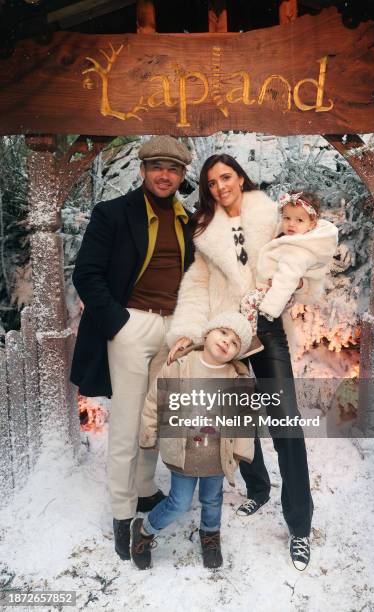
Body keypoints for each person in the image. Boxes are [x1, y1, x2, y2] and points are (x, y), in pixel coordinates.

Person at [167, 154, 314, 571]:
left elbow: (303, 244)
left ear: (241, 177)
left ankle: (300, 526)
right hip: (225, 333)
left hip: (265, 330)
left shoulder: (270, 214)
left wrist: (300, 278)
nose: (219, 187)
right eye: (211, 182)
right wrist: (189, 331)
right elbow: (196, 284)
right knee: (237, 421)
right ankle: (259, 487)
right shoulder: (203, 228)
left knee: (286, 423)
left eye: (225, 177)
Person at [70, 136, 195, 561]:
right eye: (157, 166)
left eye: (173, 169)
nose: (164, 175)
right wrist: (119, 322)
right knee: (125, 423)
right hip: (132, 324)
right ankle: (123, 513)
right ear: (142, 170)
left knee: (157, 415)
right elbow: (87, 274)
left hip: (174, 328)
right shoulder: (112, 214)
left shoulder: (187, 221)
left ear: (182, 175)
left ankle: (145, 490)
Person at [131, 311, 254, 570]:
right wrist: (149, 433)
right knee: (179, 502)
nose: (226, 342)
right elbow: (155, 401)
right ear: (208, 333)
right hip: (184, 453)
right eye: (223, 333)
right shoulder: (180, 365)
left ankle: (210, 535)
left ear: (237, 353)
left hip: (216, 457)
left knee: (212, 499)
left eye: (234, 343)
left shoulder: (237, 378)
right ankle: (145, 529)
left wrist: (241, 451)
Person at [240, 190, 338, 334]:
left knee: (249, 301)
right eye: (287, 218)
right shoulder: (292, 237)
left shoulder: (298, 251)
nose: (291, 224)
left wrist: (271, 307)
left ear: (312, 224)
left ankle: (250, 337)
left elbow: (287, 279)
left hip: (278, 294)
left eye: (299, 220)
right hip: (275, 290)